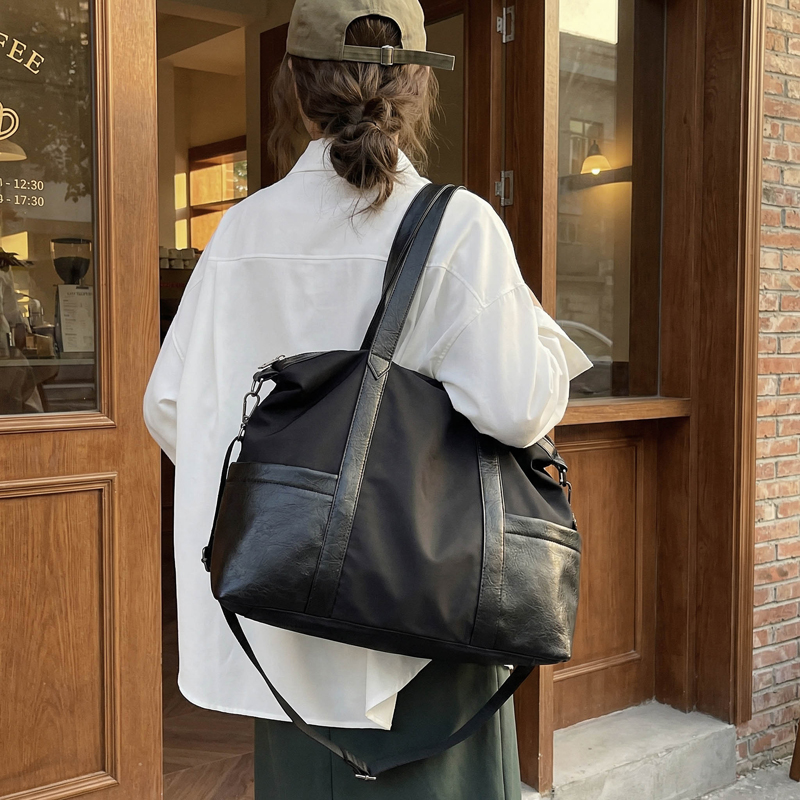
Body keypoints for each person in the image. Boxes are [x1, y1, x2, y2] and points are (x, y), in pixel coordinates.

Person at [144, 1, 591, 797]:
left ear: (295, 86)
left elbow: (172, 407)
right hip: (427, 619)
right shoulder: (459, 227)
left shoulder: (241, 233)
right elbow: (517, 408)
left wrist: (288, 494)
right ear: (419, 85)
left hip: (286, 622)